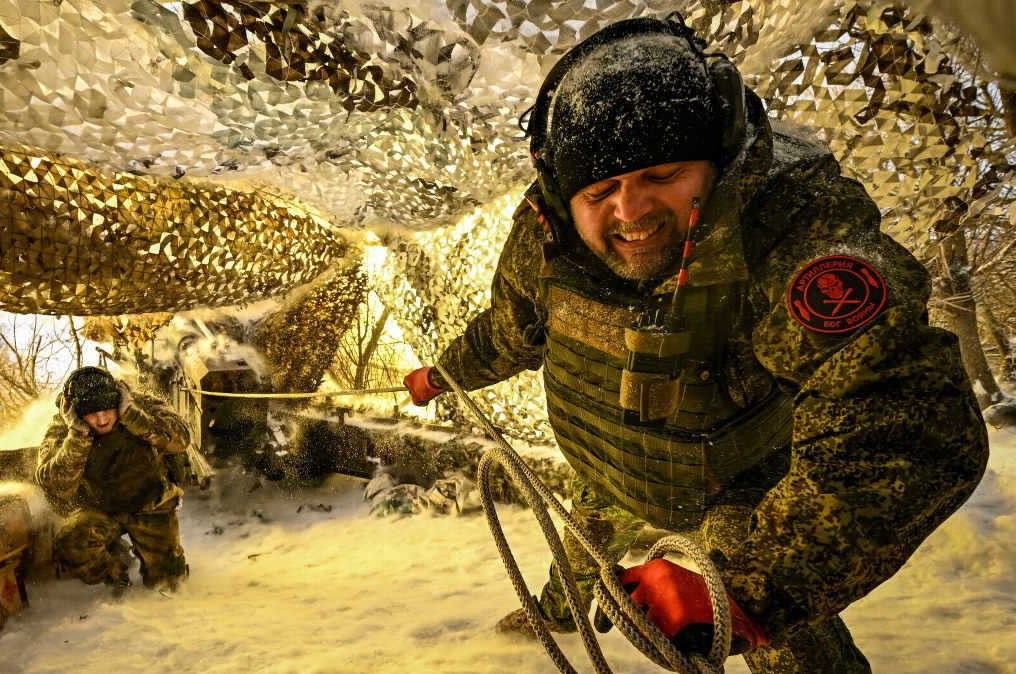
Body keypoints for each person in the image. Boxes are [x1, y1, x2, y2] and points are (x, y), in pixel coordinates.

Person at [402, 14, 988, 673]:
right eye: (601, 190)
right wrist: (441, 373)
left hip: (734, 486)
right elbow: (509, 331)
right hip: (604, 468)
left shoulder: (793, 219)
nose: (631, 213)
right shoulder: (546, 234)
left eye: (663, 175)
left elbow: (900, 413)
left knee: (789, 647)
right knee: (579, 553)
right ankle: (556, 612)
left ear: (718, 160)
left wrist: (749, 591)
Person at [36, 366, 194, 592]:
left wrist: (133, 417)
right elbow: (56, 484)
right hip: (102, 509)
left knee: (170, 584)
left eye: (107, 411)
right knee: (72, 544)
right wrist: (78, 437)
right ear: (78, 414)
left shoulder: (137, 404)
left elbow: (182, 439)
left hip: (150, 502)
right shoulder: (64, 427)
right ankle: (117, 573)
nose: (101, 420)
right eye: (92, 415)